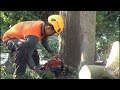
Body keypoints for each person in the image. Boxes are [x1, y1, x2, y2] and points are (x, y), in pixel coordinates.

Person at [2, 15, 64, 79]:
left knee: (30, 46)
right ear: (48, 28)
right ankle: (19, 75)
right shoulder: (33, 36)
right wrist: (34, 68)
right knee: (24, 47)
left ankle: (38, 66)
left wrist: (53, 53)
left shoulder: (43, 26)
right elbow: (28, 55)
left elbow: (44, 42)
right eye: (53, 33)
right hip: (9, 39)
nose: (53, 34)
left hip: (23, 40)